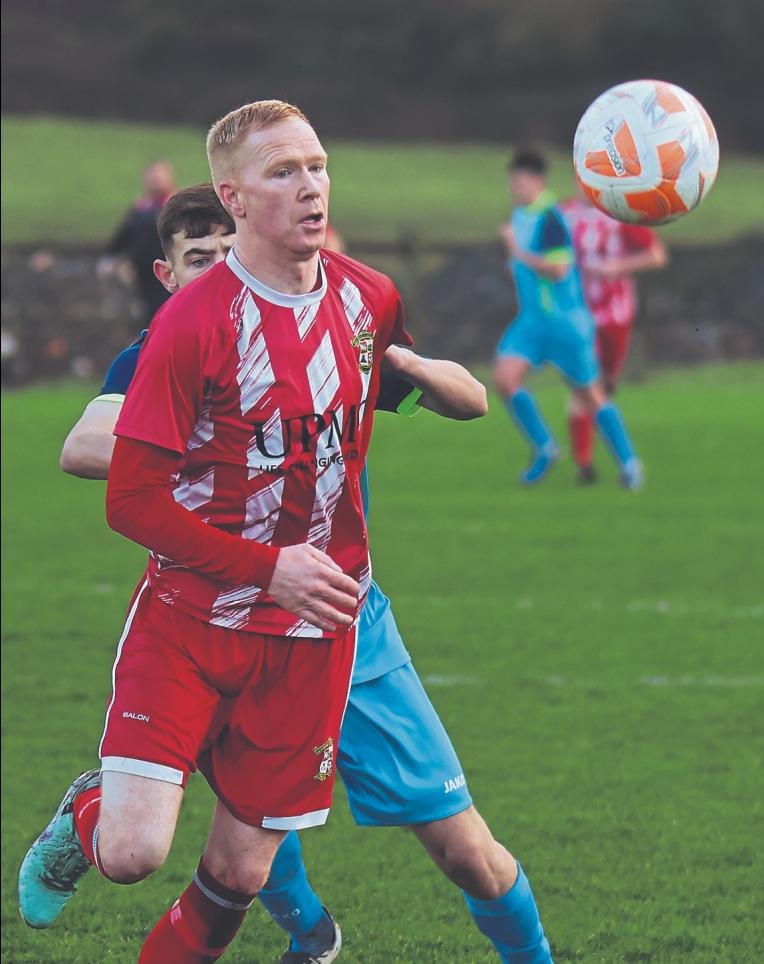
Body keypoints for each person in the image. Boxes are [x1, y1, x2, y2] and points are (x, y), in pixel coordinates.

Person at [58, 184, 555, 964]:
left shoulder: (333, 334)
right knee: (224, 847)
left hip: (344, 625)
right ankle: (312, 936)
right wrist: (208, 441)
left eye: (231, 252)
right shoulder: (162, 350)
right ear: (167, 275)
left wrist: (407, 364)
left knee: (465, 849)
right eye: (200, 259)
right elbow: (83, 447)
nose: (222, 269)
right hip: (217, 615)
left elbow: (472, 400)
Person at [19, 99, 415, 963]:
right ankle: (86, 815)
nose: (310, 187)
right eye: (284, 172)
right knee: (131, 854)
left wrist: (452, 387)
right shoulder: (191, 326)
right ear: (234, 200)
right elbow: (130, 498)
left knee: (238, 875)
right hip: (191, 620)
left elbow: (388, 379)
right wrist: (268, 567)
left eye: (316, 166)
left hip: (314, 635)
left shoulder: (369, 299)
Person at [494, 149, 643, 490]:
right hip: (532, 321)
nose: (514, 186)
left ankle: (629, 462)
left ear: (537, 181)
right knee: (504, 379)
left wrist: (518, 254)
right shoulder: (520, 214)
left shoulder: (551, 217)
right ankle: (545, 448)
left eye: (520, 180)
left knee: (590, 395)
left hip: (565, 324)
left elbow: (559, 269)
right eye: (511, 180)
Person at [560, 192, 667, 482]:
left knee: (602, 388)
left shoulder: (620, 214)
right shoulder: (562, 214)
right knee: (583, 386)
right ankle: (588, 463)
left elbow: (656, 255)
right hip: (577, 317)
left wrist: (614, 268)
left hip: (615, 315)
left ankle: (615, 463)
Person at [99, 159, 176, 321]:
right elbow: (124, 235)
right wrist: (110, 257)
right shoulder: (141, 208)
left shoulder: (178, 205)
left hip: (172, 271)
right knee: (150, 317)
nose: (156, 181)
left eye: (160, 177)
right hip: (145, 275)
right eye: (153, 177)